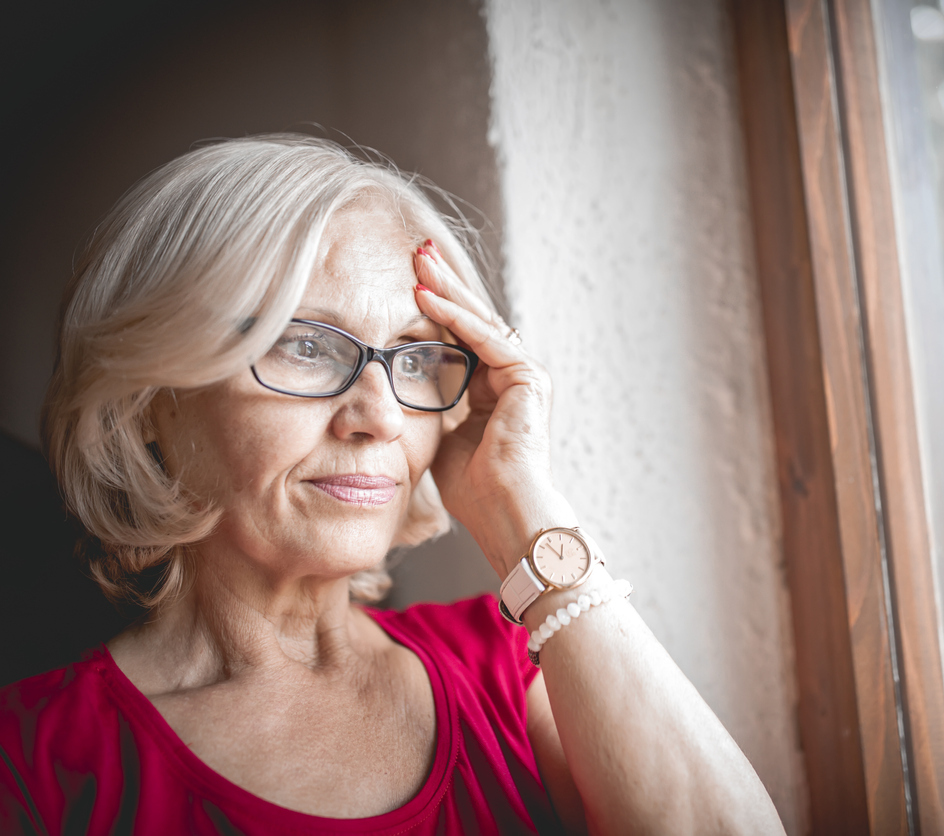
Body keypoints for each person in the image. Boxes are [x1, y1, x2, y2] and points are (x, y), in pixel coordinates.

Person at [0, 135, 784, 835]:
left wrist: (519, 503)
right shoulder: (34, 761)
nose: (378, 415)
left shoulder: (507, 667)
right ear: (149, 401)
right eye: (305, 345)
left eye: (413, 357)